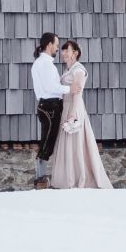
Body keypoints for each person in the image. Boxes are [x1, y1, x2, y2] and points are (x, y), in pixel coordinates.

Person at [47, 39, 113, 191]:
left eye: (67, 50)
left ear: (75, 53)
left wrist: (73, 114)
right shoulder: (68, 70)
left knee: (75, 143)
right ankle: (67, 177)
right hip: (66, 106)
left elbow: (77, 93)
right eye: (62, 50)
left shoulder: (78, 70)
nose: (63, 53)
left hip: (74, 107)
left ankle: (77, 178)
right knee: (67, 143)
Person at [29, 31, 68, 189]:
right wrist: (70, 89)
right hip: (49, 106)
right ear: (49, 45)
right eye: (57, 45)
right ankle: (41, 179)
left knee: (48, 141)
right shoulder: (44, 64)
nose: (58, 48)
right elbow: (50, 87)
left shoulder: (43, 63)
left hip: (48, 105)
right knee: (47, 142)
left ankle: (41, 178)